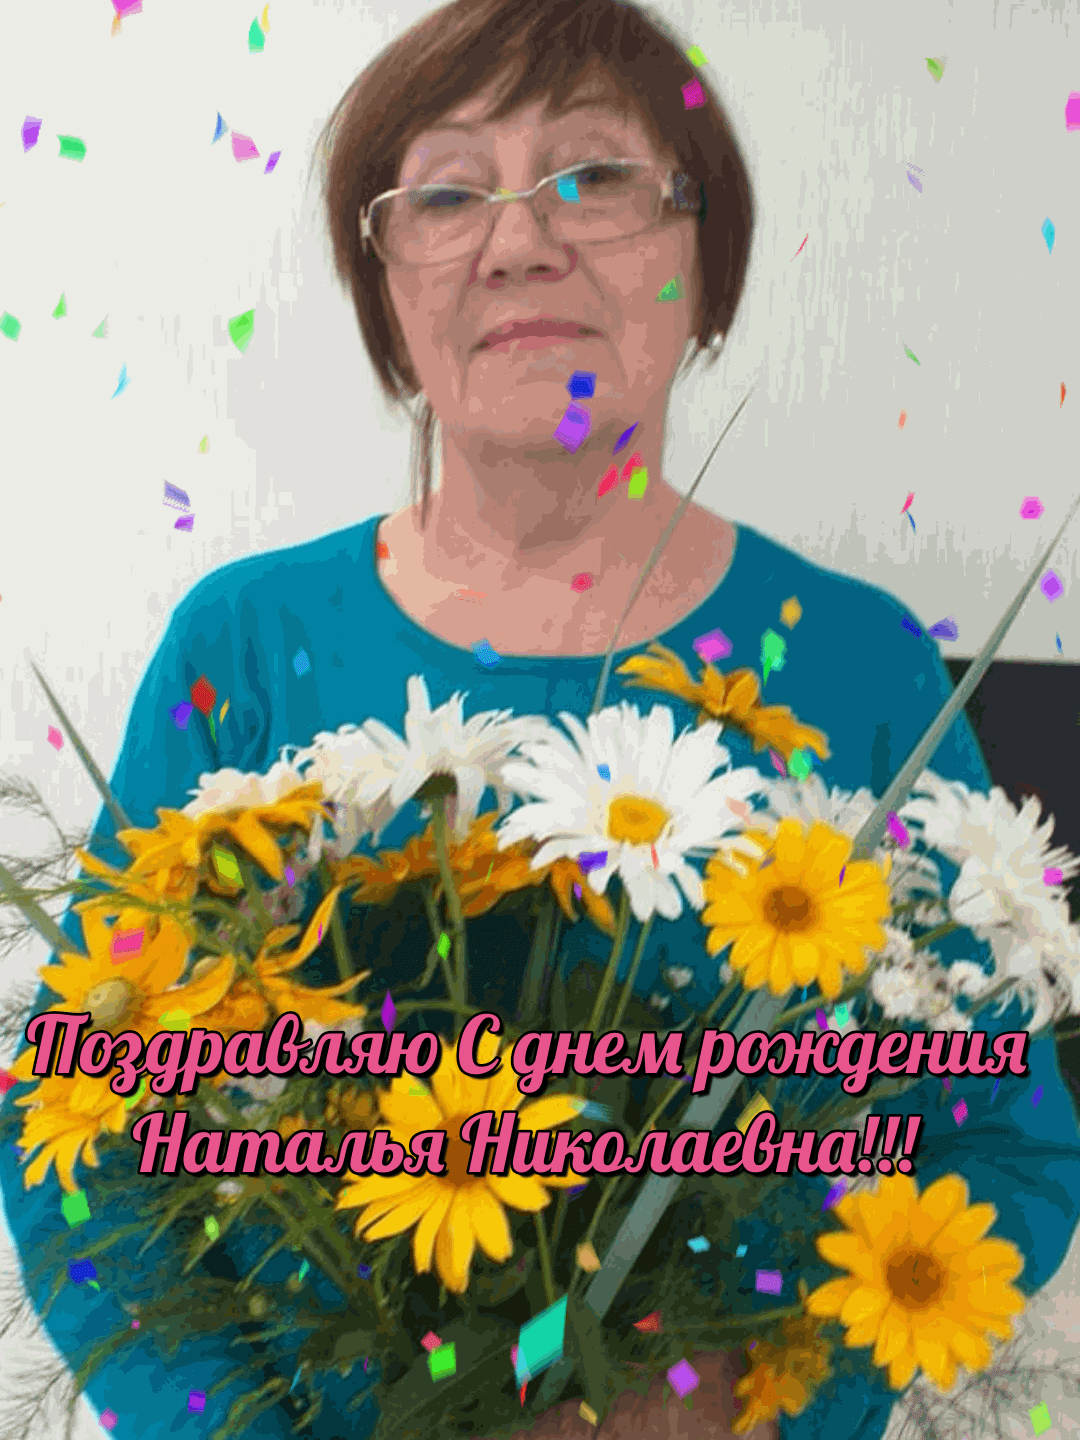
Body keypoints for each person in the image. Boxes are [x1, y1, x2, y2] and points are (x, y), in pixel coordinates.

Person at [2, 2, 1078, 1439]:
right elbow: (78, 1138)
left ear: (706, 263)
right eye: (447, 194)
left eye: (598, 175)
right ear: (387, 291)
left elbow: (1005, 1146)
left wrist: (743, 1402)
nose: (518, 240)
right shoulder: (246, 647)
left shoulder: (856, 667)